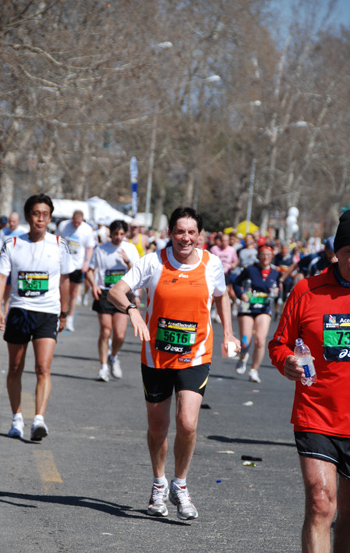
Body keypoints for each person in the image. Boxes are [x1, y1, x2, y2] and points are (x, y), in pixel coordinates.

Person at [108, 206, 240, 520]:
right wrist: (133, 310)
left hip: (196, 355)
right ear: (170, 233)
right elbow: (117, 291)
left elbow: (220, 296)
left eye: (191, 232)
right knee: (158, 427)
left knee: (187, 423)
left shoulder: (211, 264)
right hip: (156, 356)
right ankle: (158, 485)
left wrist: (229, 334)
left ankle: (179, 486)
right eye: (180, 231)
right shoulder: (152, 262)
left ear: (200, 236)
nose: (185, 238)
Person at [269, 211, 350, 553]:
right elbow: (279, 342)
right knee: (321, 502)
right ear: (336, 253)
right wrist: (285, 361)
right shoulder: (307, 291)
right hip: (316, 413)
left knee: (347, 513)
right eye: (349, 251)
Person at [0, 194, 74, 441]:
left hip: (47, 312)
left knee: (43, 367)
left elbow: (65, 280)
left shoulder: (60, 244)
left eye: (45, 214)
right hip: (19, 310)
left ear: (50, 218)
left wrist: (64, 313)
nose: (41, 219)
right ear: (28, 216)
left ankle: (38, 419)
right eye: (36, 214)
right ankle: (17, 417)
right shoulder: (12, 243)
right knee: (15, 367)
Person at [86, 220, 140, 382]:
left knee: (120, 334)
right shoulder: (101, 249)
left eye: (121, 234)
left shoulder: (129, 248)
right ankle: (103, 368)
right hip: (104, 292)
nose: (118, 237)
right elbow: (90, 271)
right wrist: (93, 285)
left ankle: (113, 356)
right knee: (106, 330)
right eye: (115, 233)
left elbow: (138, 274)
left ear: (125, 234)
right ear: (110, 234)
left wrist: (128, 262)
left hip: (123, 294)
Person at [233, 244, 280, 383]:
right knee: (245, 342)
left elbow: (277, 289)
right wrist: (241, 294)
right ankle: (243, 357)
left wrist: (277, 292)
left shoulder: (275, 272)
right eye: (263, 254)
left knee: (260, 340)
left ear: (272, 257)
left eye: (268, 255)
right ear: (258, 256)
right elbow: (236, 283)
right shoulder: (250, 269)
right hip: (248, 307)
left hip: (264, 308)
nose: (265, 257)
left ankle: (254, 370)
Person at [56, 210, 95, 330]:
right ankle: (59, 315)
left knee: (73, 293)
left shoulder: (87, 229)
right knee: (60, 291)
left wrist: (86, 262)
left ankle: (70, 318)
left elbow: (90, 247)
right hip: (63, 263)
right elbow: (56, 240)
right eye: (75, 222)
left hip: (77, 265)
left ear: (82, 220)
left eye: (79, 223)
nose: (76, 225)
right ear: (72, 219)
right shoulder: (64, 225)